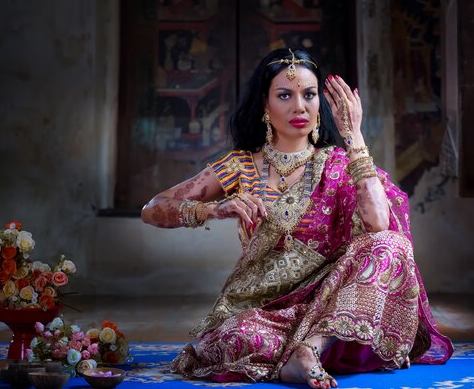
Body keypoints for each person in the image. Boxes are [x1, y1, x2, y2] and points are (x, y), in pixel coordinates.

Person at [141, 48, 453, 388]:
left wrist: (355, 138)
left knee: (390, 246)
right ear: (265, 102)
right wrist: (213, 209)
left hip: (331, 307)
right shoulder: (240, 165)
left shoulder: (339, 162)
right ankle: (309, 352)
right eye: (285, 95)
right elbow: (154, 208)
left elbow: (379, 225)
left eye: (309, 94)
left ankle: (309, 348)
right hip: (265, 311)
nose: (299, 107)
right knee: (237, 338)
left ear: (321, 103)